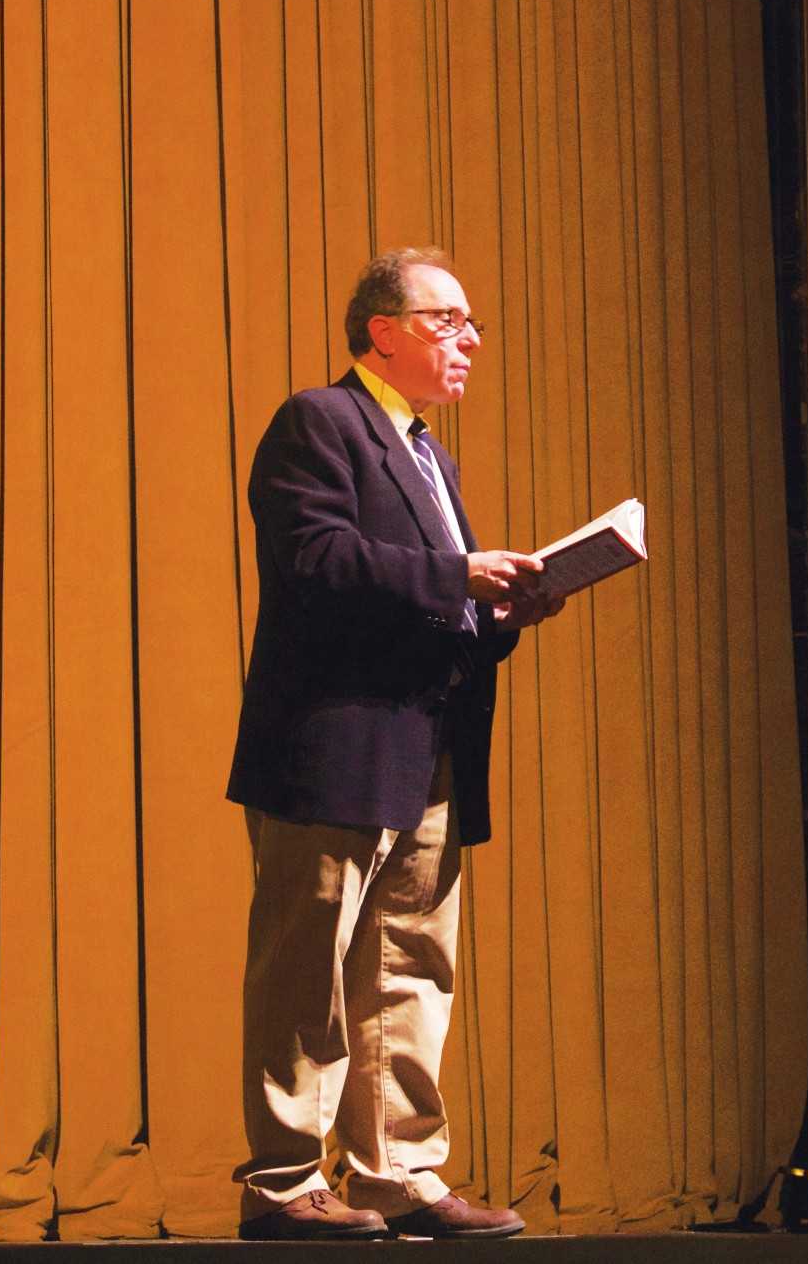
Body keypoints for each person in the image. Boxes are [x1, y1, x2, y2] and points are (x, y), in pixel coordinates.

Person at [226, 248, 563, 1241]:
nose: (468, 338)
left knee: (411, 964)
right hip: (334, 742)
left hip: (427, 747)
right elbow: (316, 557)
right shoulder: (318, 422)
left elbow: (431, 593)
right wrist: (458, 571)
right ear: (383, 331)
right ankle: (286, 1180)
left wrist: (500, 606)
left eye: (473, 323)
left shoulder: (428, 452)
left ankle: (398, 1170)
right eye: (446, 319)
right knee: (310, 966)